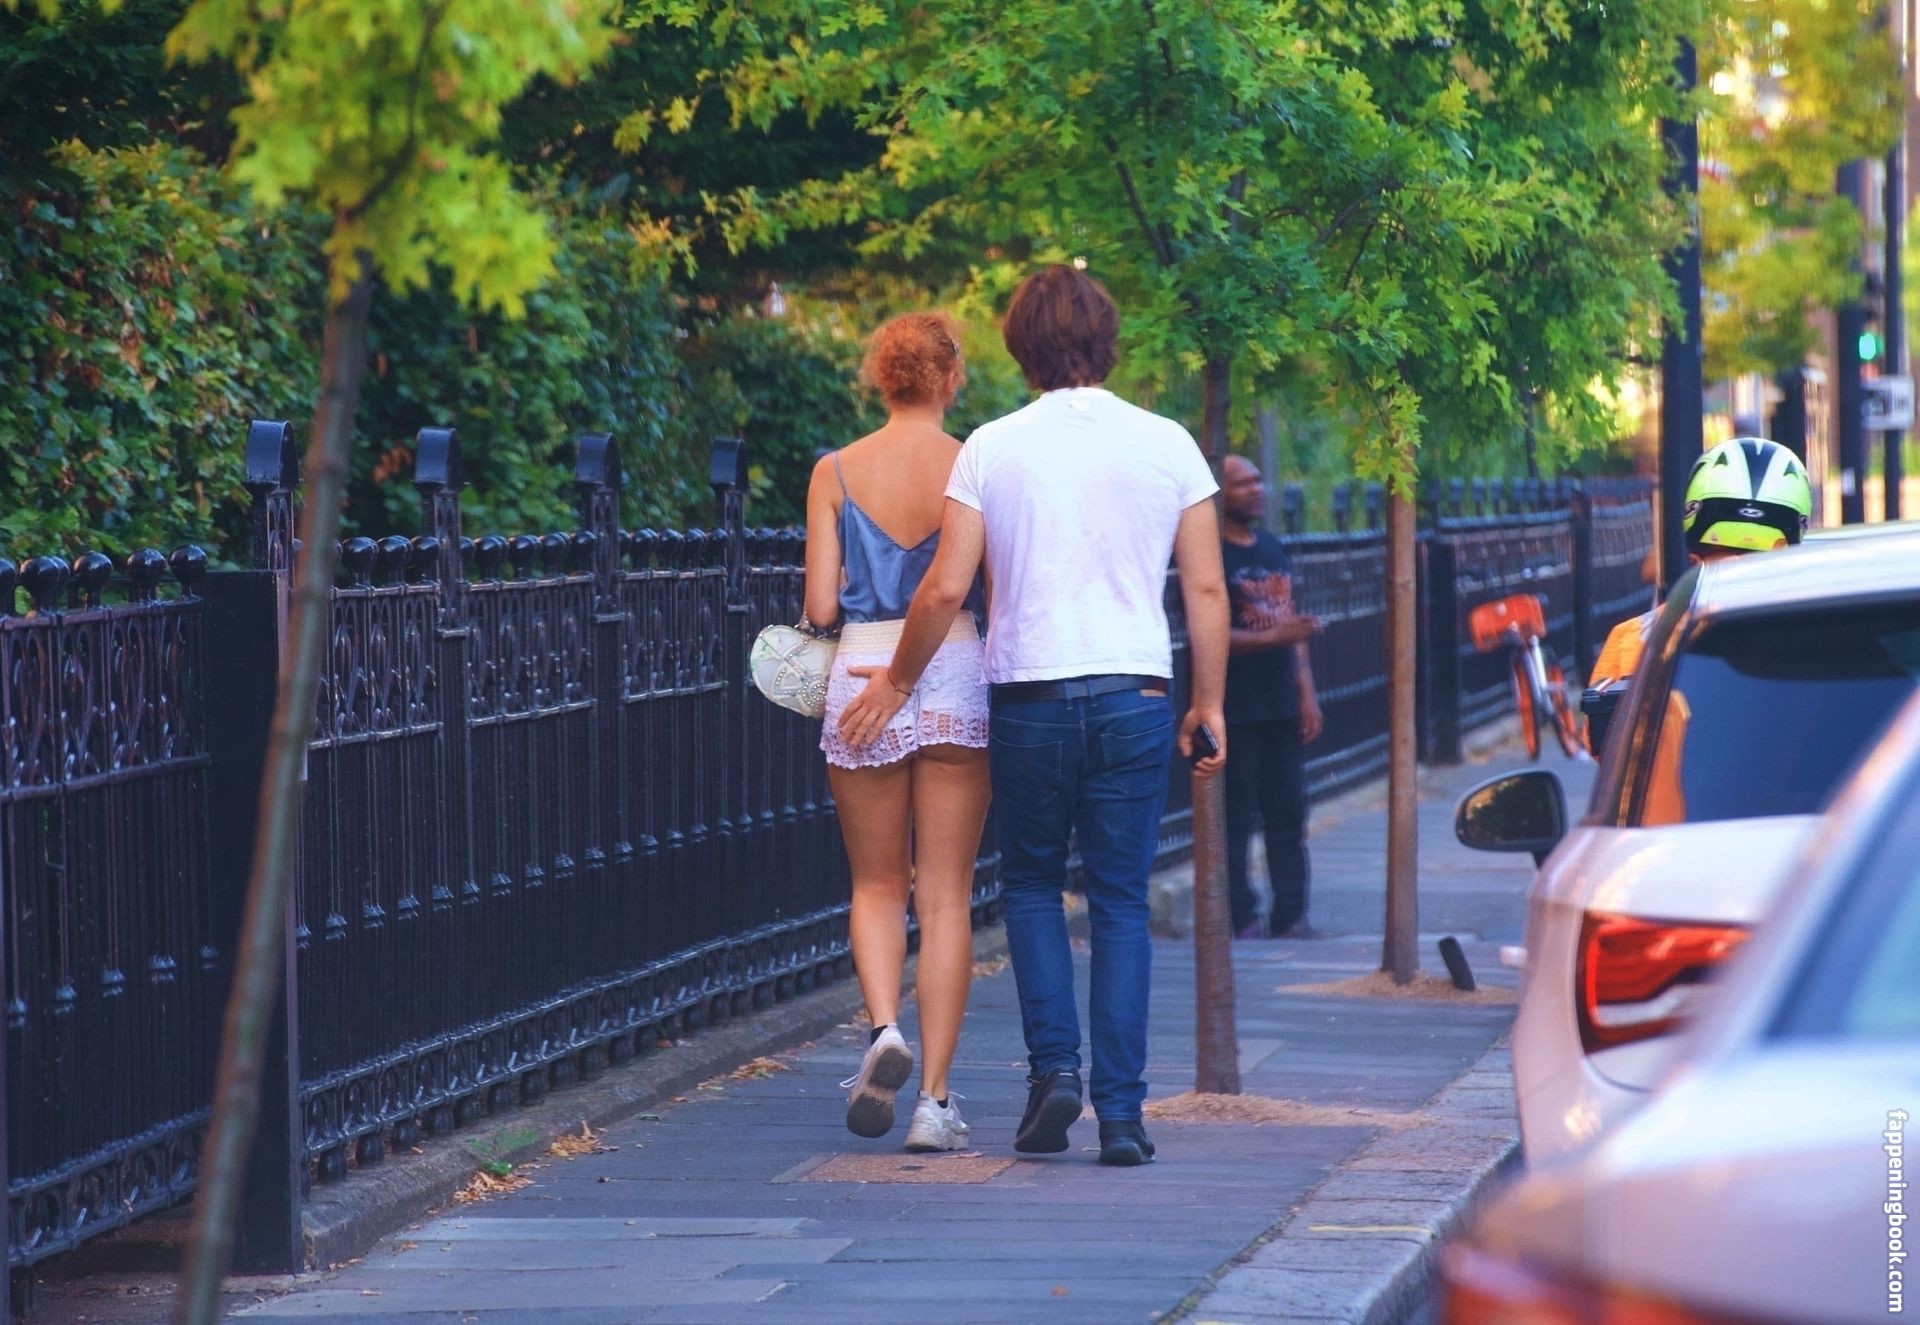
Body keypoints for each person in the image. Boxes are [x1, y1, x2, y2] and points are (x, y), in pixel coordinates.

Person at [836, 265, 1230, 1168]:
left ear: (1020, 346)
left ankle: (1055, 1071)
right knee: (1121, 900)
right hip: (1135, 694)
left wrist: (896, 682)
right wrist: (1207, 702)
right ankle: (1122, 1114)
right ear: (1108, 339)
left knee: (1031, 886)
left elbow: (946, 586)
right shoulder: (1168, 442)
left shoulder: (992, 447)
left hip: (1030, 697)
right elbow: (1207, 587)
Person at [805, 311, 992, 1153]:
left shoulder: (835, 470)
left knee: (877, 883)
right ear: (951, 377)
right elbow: (985, 582)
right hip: (951, 666)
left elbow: (820, 604)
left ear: (881, 378)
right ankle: (935, 1103)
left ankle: (884, 1028)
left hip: (862, 672)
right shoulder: (975, 462)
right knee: (945, 894)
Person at [1587, 436, 1813, 824]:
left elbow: (1603, 752)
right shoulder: (1828, 634)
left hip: (1665, 847)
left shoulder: (1634, 639)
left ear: (1694, 552)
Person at [1218, 455, 1323, 939]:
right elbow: (1209, 635)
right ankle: (1241, 915)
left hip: (1281, 703)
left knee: (1288, 813)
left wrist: (1307, 692)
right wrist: (1275, 637)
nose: (1256, 490)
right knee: (1235, 818)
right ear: (1220, 493)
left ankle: (1291, 914)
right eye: (1243, 484)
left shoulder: (1272, 546)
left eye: (1258, 480)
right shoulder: (1213, 555)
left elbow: (1290, 619)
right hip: (1236, 706)